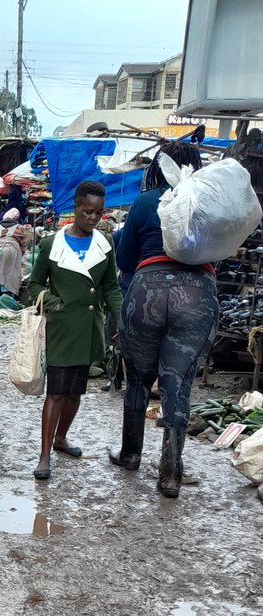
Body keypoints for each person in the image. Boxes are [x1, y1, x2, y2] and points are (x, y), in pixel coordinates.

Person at [110, 141, 216, 499]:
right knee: (179, 384)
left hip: (146, 291)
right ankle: (170, 474)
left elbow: (124, 260)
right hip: (196, 295)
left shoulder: (144, 202)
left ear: (158, 167)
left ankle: (130, 454)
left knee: (138, 380)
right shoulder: (207, 201)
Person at [27, 180, 122, 481]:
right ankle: (44, 456)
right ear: (76, 209)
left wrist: (120, 317)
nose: (93, 218)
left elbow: (111, 287)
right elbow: (34, 284)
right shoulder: (50, 245)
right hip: (60, 328)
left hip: (88, 329)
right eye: (88, 211)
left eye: (99, 213)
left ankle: (61, 438)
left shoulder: (105, 243)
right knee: (55, 392)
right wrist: (54, 303)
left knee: (75, 391)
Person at [0, 224, 29, 298]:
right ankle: (7, 300)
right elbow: (24, 244)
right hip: (12, 250)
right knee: (10, 276)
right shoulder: (20, 227)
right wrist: (20, 253)